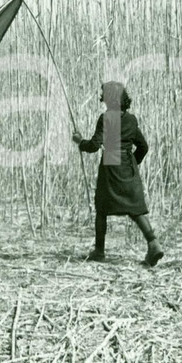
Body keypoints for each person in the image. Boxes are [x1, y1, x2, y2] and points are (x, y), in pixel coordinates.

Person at [73, 81, 163, 266]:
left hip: (111, 165)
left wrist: (80, 141)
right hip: (128, 166)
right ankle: (153, 243)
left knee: (102, 209)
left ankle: (99, 252)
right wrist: (133, 164)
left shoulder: (106, 118)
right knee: (135, 208)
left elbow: (94, 146)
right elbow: (143, 147)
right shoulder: (131, 120)